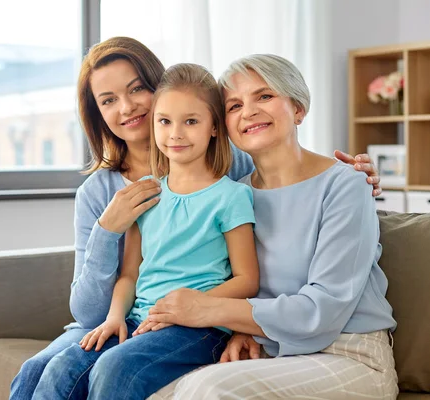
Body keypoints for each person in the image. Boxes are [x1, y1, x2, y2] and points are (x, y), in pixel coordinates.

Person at [9, 37, 383, 399]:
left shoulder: (232, 176)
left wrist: (358, 176)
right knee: (39, 372)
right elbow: (98, 302)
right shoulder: (103, 192)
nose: (126, 107)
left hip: (254, 330)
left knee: (146, 375)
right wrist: (108, 230)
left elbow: (286, 179)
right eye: (108, 100)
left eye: (136, 89)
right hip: (147, 317)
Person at [142, 54, 398, 400]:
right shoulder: (235, 196)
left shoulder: (345, 184)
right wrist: (247, 330)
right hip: (272, 352)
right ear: (223, 126)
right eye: (234, 106)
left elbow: (323, 310)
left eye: (264, 96)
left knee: (209, 389)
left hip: (349, 355)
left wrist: (206, 308)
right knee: (152, 390)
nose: (248, 111)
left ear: (298, 108)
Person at [30, 62, 260, 399]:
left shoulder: (232, 194)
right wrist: (113, 318)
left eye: (191, 122)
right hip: (138, 318)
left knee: (115, 367)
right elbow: (129, 275)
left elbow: (248, 279)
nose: (176, 133)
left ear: (214, 127)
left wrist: (190, 305)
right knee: (60, 369)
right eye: (164, 121)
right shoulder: (146, 193)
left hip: (199, 326)